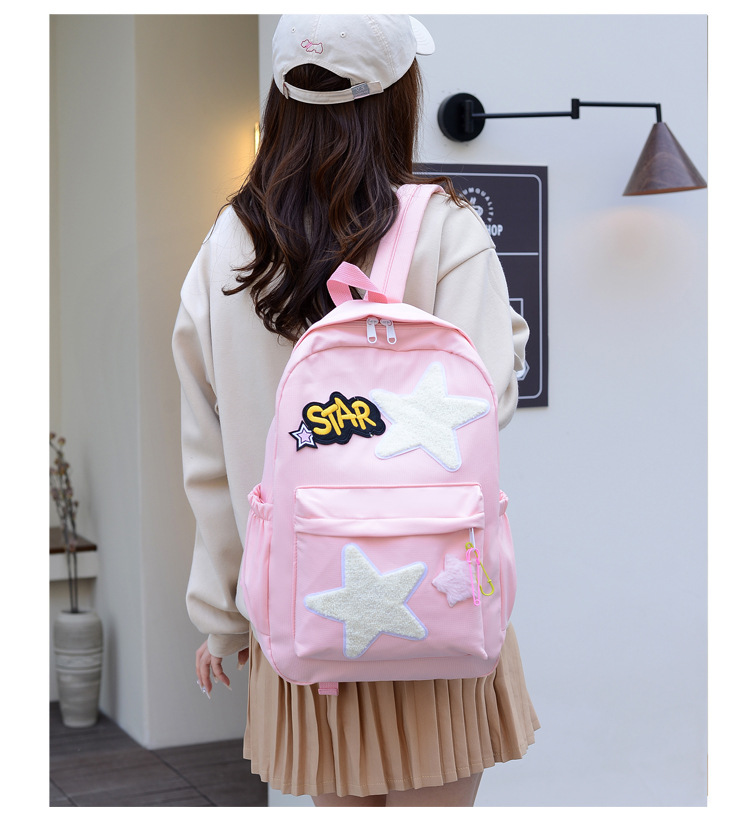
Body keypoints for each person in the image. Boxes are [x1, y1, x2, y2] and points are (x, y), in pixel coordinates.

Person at [173, 14, 539, 807]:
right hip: (435, 599)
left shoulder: (227, 247)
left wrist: (225, 615)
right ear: (397, 98)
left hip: (303, 608)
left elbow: (209, 451)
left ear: (283, 97)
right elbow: (484, 410)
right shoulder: (445, 231)